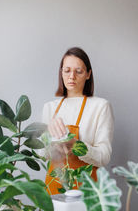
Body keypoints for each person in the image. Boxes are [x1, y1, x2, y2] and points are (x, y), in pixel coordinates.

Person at [42, 47, 114, 195]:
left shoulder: (101, 106)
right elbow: (42, 154)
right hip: (55, 188)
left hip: (87, 190)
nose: (71, 76)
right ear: (61, 72)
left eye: (78, 71)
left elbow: (104, 156)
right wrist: (48, 137)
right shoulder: (50, 108)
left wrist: (77, 145)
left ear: (88, 74)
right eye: (67, 70)